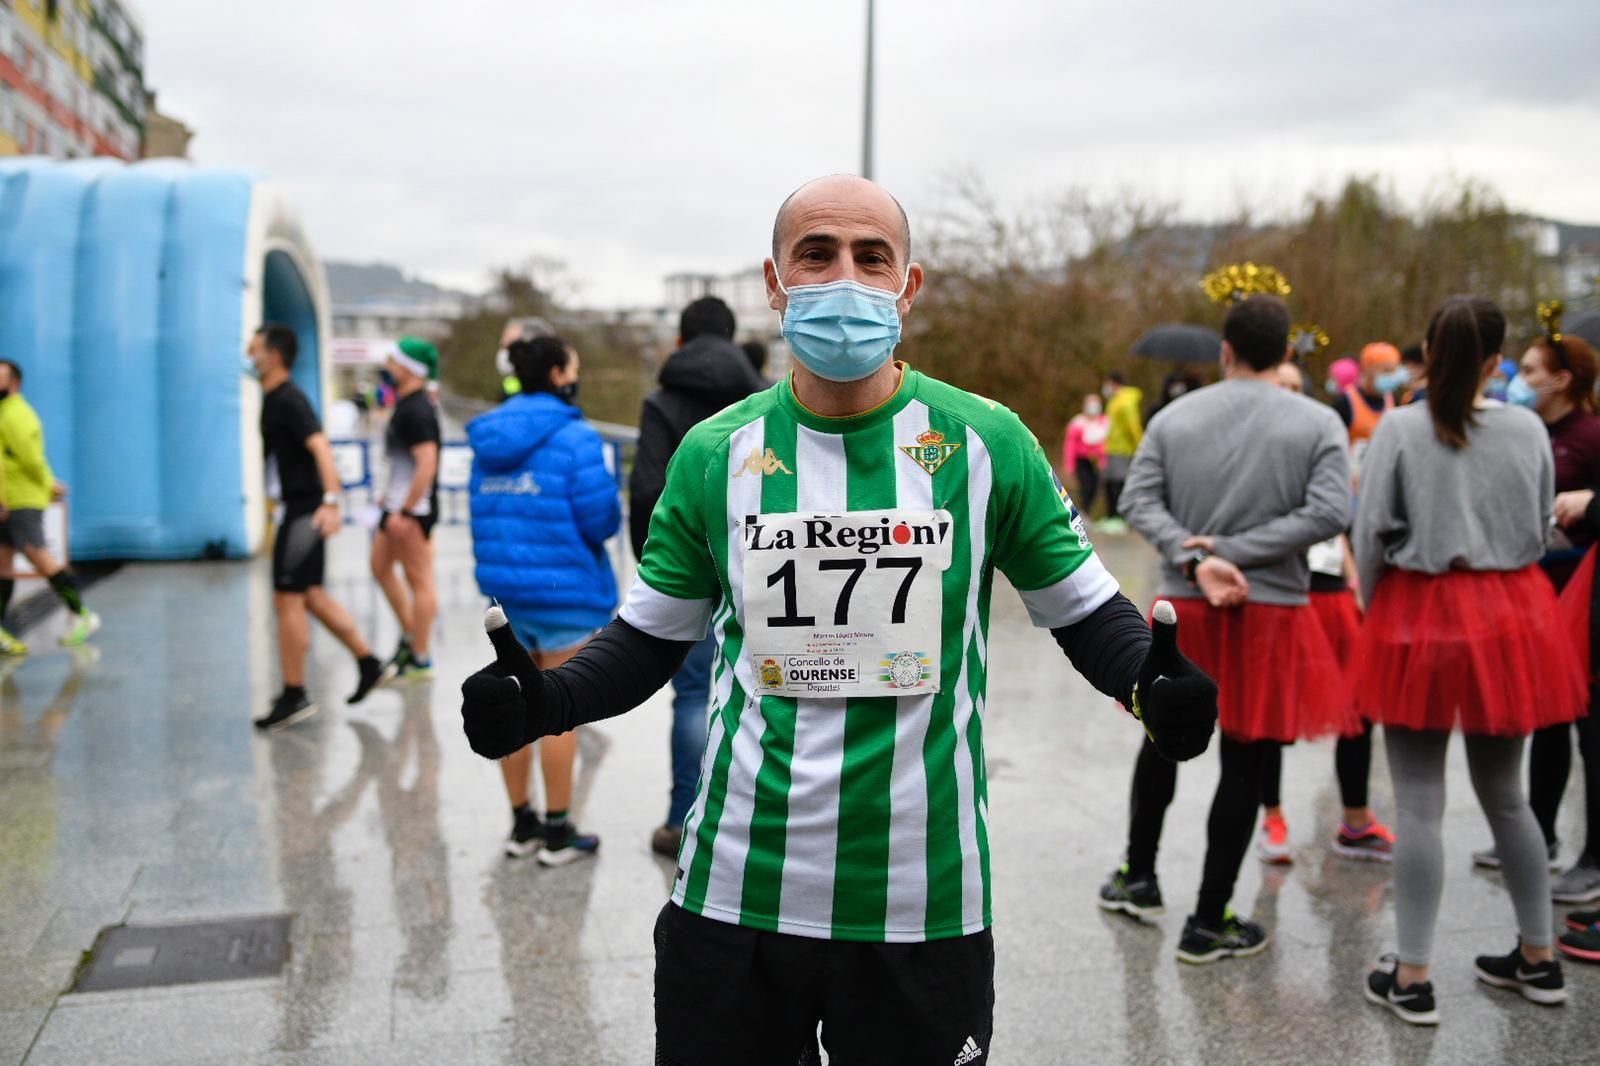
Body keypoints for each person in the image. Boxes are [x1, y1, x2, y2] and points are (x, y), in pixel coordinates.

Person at [460, 174, 1219, 1063]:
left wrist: (1149, 683)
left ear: (910, 285)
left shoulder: (988, 442)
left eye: (872, 257)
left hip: (924, 898)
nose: (845, 279)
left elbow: (1087, 614)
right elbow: (647, 638)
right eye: (816, 256)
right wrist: (548, 702)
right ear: (776, 285)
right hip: (735, 891)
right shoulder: (715, 454)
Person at [1354, 296, 1584, 1025]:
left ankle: (1414, 977)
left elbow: (1369, 535)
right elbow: (1543, 523)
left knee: (1418, 803)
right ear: (1496, 361)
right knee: (1508, 796)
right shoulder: (1525, 429)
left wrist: (1374, 610)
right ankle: (1540, 959)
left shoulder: (1399, 426)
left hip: (1419, 609)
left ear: (1426, 349)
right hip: (1512, 614)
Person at [1108, 294, 1350, 963]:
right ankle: (1210, 918)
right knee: (1247, 759)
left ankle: (1138, 875)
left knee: (1160, 738)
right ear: (1288, 354)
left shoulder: (1175, 417)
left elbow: (1135, 500)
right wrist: (1238, 551)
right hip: (1271, 610)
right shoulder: (1318, 421)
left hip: (1184, 608)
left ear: (1225, 350)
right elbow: (1332, 510)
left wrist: (1196, 552)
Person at [468, 333, 619, 864]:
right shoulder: (575, 436)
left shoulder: (487, 435)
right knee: (556, 710)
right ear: (558, 374)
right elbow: (600, 519)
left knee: (512, 698)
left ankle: (521, 824)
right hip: (566, 593)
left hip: (506, 598)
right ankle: (558, 832)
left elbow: (479, 514)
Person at [629, 296, 767, 858]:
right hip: (760, 563)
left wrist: (656, 568)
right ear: (732, 338)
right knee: (763, 691)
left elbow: (644, 489)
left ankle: (683, 817)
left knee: (690, 695)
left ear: (681, 341)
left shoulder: (661, 401)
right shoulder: (761, 398)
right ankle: (748, 818)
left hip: (688, 564)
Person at [1254, 362, 1392, 864]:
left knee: (1358, 710)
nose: (1288, 393)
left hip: (1332, 593)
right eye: (1280, 385)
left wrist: (1355, 578)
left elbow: (1339, 522)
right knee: (1270, 717)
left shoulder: (1323, 438)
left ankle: (1355, 821)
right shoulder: (1251, 447)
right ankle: (1272, 819)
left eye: (1297, 386)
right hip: (1278, 593)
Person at [1488, 321, 1600, 902]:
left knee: (1588, 727)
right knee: (1544, 717)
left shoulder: (1592, 435)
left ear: (1562, 379)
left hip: (1585, 600)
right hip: (1536, 595)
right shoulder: (1525, 432)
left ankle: (1593, 858)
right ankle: (1538, 833)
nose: (1520, 380)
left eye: (1530, 371)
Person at [246, 326, 385, 731]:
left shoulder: (288, 399)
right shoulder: (275, 398)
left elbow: (320, 446)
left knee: (287, 599)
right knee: (309, 595)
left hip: (305, 510)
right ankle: (368, 662)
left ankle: (295, 693)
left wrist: (330, 502)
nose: (248, 355)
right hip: (296, 506)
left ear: (273, 355)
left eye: (254, 349)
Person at [0, 360, 99, 653]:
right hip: (9, 499)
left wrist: (45, 485)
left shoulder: (16, 415)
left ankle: (81, 613)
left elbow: (31, 459)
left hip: (20, 501)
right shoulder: (6, 413)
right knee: (3, 563)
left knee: (40, 558)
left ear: (13, 383)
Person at [372, 337, 441, 683]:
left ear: (411, 368)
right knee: (380, 567)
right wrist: (387, 501)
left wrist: (408, 510)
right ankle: (411, 634)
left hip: (411, 511)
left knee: (419, 580)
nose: (387, 365)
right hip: (396, 507)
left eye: (393, 360)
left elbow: (427, 463)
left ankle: (421, 656)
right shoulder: (406, 404)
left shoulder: (418, 409)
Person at [1333, 342, 1400, 472]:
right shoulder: (1346, 401)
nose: (1390, 377)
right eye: (1385, 371)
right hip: (1352, 483)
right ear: (1367, 369)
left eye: (1393, 371)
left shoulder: (1393, 401)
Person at [1099, 369, 1143, 533]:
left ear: (1113, 383)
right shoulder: (1115, 400)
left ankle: (1123, 517)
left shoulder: (1125, 401)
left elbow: (1133, 425)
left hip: (1123, 449)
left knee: (1120, 483)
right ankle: (1113, 516)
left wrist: (1140, 445)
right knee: (1110, 482)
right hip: (1111, 447)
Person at [1063, 394, 1108, 520]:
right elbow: (1070, 445)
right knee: (1086, 485)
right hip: (1082, 461)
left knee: (1094, 487)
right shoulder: (1077, 423)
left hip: (1096, 461)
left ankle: (1088, 512)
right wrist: (1069, 465)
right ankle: (1084, 511)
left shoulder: (1104, 422)